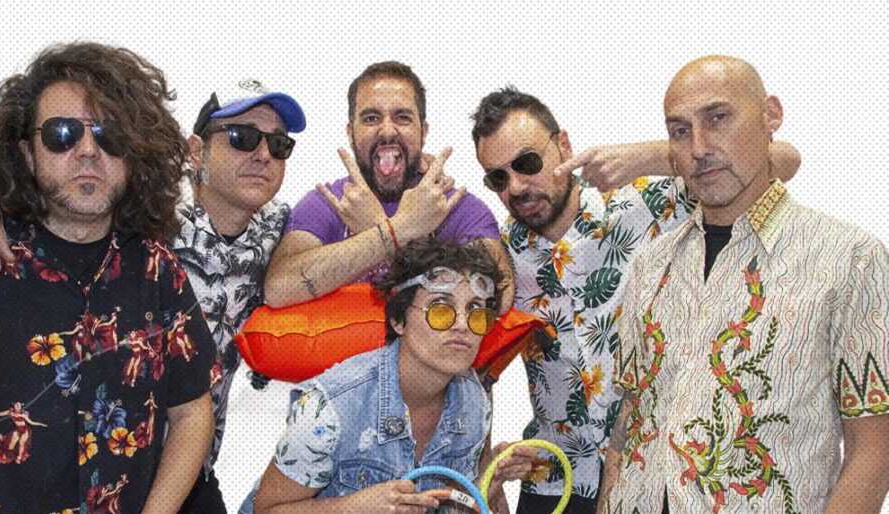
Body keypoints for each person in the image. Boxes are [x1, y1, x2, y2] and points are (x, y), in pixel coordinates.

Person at [0, 42, 217, 513]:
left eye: (110, 135)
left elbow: (192, 412)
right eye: (61, 134)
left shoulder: (159, 273)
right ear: (28, 153)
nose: (88, 150)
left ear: (134, 154)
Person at [0, 77, 306, 513]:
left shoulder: (277, 229)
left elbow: (328, 230)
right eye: (242, 137)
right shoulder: (147, 214)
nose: (263, 155)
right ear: (197, 150)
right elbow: (53, 199)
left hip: (189, 467)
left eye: (279, 144)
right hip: (104, 467)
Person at [470, 86, 801, 513]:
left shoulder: (648, 205)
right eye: (498, 178)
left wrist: (651, 155)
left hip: (650, 476)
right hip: (554, 480)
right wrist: (486, 470)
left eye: (527, 163)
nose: (516, 186)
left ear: (564, 145)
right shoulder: (502, 253)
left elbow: (782, 161)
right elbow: (477, 366)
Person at [599, 56, 889, 513]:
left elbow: (873, 453)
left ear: (770, 115)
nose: (699, 148)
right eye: (680, 131)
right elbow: (632, 416)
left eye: (718, 118)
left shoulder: (848, 258)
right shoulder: (651, 265)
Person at [242, 238, 535, 514]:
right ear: (398, 320)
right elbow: (266, 510)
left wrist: (491, 478)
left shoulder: (473, 402)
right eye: (441, 309)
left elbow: (449, 500)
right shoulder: (329, 410)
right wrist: (355, 507)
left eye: (476, 312)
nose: (462, 325)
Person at [264, 61, 514, 311]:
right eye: (371, 118)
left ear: (423, 132)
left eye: (402, 117)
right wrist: (394, 232)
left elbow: (500, 296)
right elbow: (278, 289)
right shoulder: (327, 202)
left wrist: (383, 232)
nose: (387, 131)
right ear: (351, 133)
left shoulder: (457, 206)